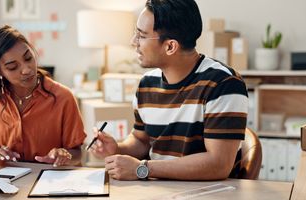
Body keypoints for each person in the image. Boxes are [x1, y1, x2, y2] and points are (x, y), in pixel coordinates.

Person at [89, 0, 248, 180]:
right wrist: (117, 149)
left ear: (170, 46)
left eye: (141, 35)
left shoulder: (224, 83)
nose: (133, 42)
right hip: (158, 189)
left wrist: (143, 168)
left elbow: (218, 165)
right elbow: (141, 140)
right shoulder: (146, 83)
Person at [0, 25, 86, 167]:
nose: (26, 70)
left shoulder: (63, 97)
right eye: (12, 67)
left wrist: (64, 156)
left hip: (47, 179)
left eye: (28, 58)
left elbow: (77, 153)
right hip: (2, 179)